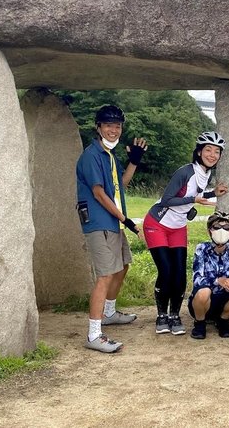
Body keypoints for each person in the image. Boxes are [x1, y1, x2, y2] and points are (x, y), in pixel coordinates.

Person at [75, 105, 148, 353]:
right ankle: (94, 334)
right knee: (105, 275)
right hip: (99, 222)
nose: (113, 130)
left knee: (122, 266)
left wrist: (134, 162)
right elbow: (98, 193)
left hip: (112, 222)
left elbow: (121, 185)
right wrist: (126, 220)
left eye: (117, 126)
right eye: (108, 125)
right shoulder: (91, 155)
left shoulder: (109, 156)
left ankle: (108, 313)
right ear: (98, 127)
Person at [143, 131, 229, 336]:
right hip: (158, 222)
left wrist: (211, 193)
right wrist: (194, 200)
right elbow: (167, 199)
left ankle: (175, 316)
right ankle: (161, 315)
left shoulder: (206, 173)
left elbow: (195, 195)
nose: (212, 154)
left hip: (178, 226)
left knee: (180, 274)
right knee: (166, 271)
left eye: (217, 151)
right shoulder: (185, 171)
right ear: (199, 151)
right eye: (208, 149)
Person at [188, 211, 229, 339]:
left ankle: (223, 320)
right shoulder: (201, 249)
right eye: (217, 227)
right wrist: (218, 281)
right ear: (210, 230)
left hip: (224, 299)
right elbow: (197, 278)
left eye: (226, 228)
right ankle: (199, 323)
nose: (221, 230)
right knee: (203, 292)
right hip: (202, 301)